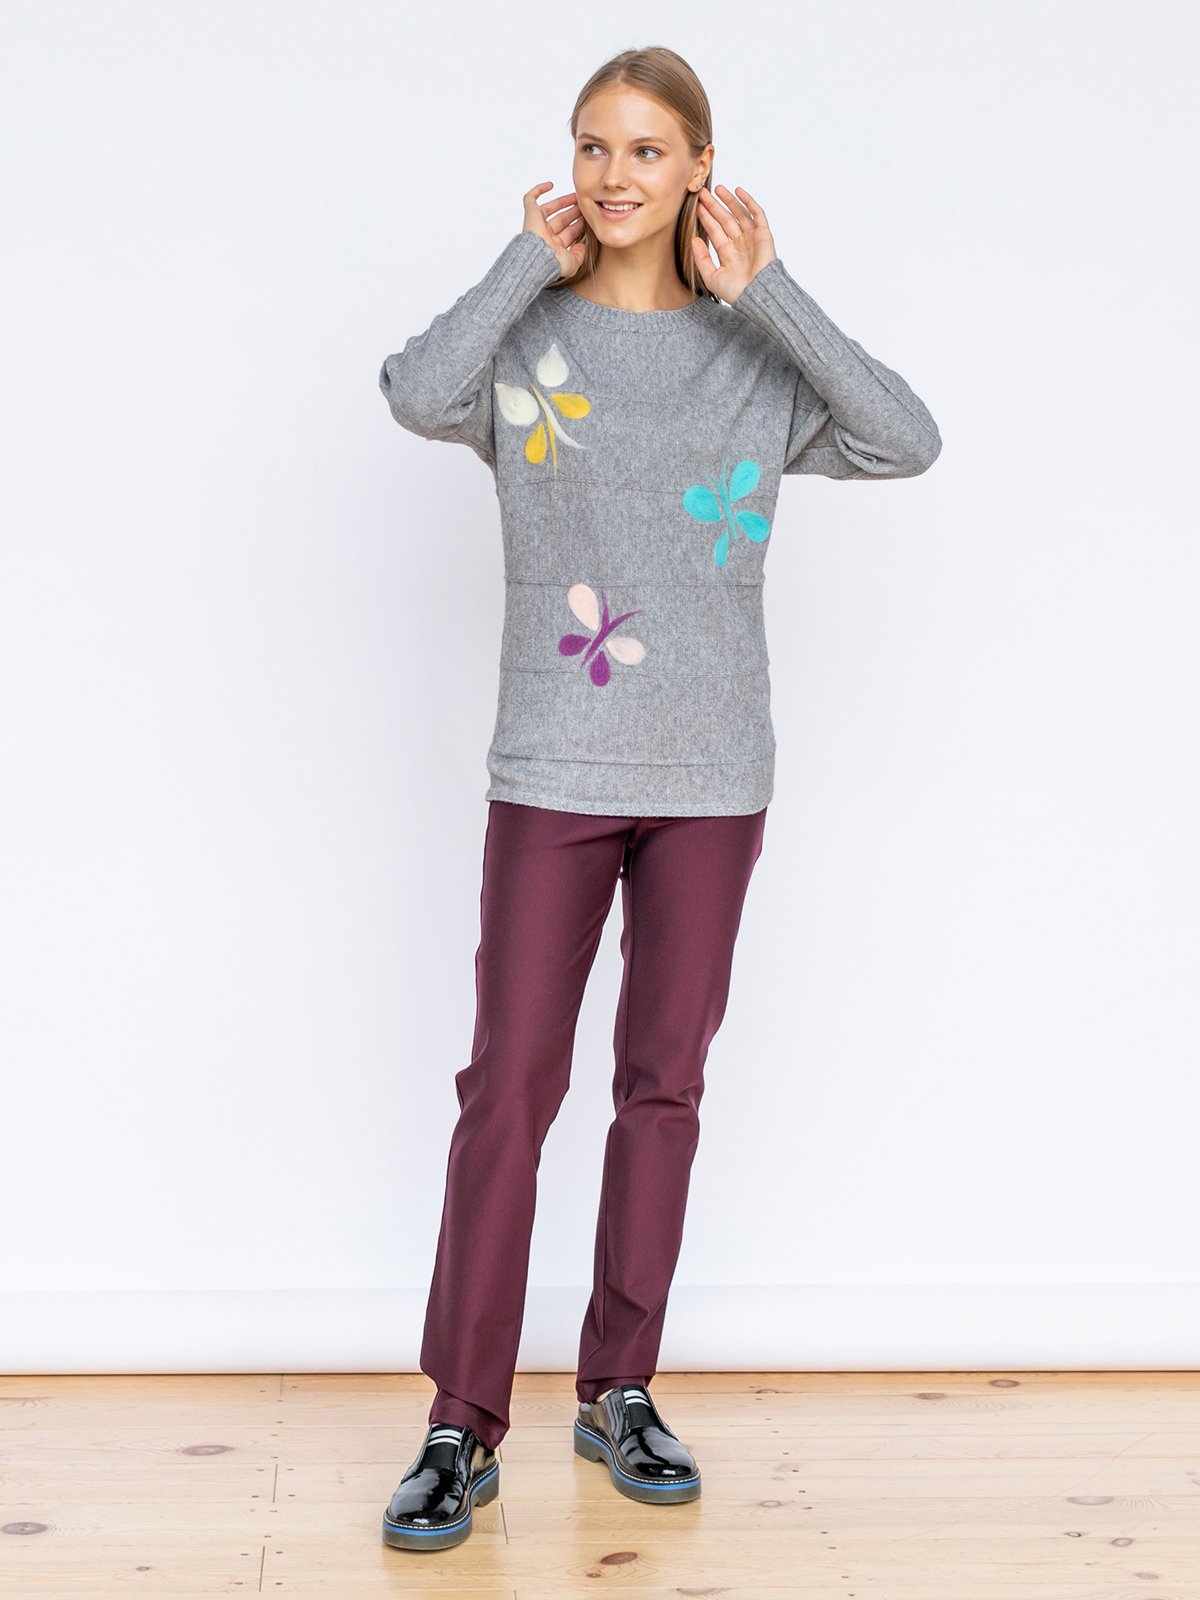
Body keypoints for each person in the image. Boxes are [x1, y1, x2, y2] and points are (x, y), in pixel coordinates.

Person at [376, 45, 940, 1552]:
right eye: (592, 146)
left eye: (645, 149)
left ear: (700, 168)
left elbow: (904, 437)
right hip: (551, 766)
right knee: (510, 1087)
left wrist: (771, 291)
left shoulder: (751, 359)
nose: (614, 174)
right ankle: (459, 1423)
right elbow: (416, 391)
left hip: (712, 776)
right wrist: (524, 260)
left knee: (662, 1089)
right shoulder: (527, 341)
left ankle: (618, 1389)